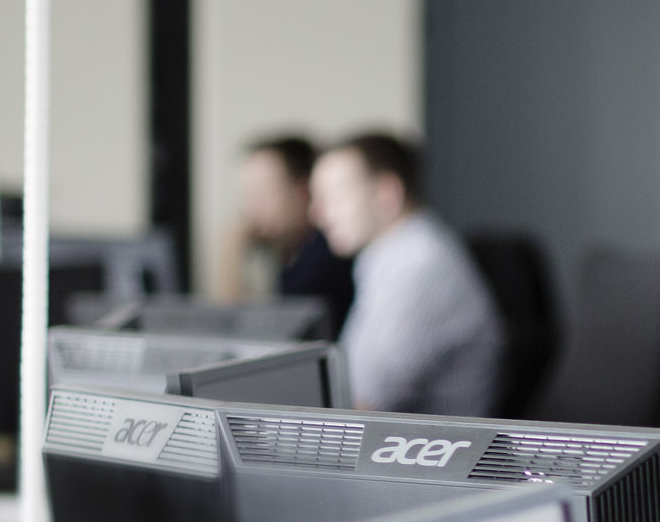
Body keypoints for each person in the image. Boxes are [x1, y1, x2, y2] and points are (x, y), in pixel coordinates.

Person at [308, 131, 505, 415]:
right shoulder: (390, 255)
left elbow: (359, 410)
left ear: (388, 194)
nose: (318, 214)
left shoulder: (419, 269)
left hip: (430, 452)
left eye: (334, 196)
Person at [211, 133, 355, 331]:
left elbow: (242, 333)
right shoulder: (294, 254)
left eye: (262, 193)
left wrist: (230, 251)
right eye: (247, 196)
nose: (249, 210)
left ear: (304, 191)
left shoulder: (323, 262)